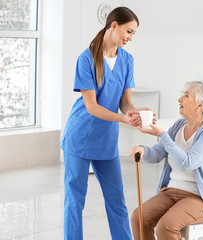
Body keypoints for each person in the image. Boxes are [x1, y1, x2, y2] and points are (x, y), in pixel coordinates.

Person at [60, 7, 146, 240]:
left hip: (106, 139)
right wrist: (123, 118)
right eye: (128, 31)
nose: (130, 37)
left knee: (117, 201)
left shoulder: (127, 60)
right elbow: (92, 106)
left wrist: (135, 113)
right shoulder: (86, 59)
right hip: (80, 136)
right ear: (114, 25)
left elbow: (125, 101)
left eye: (133, 34)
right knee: (75, 201)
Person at [129, 81, 203, 240]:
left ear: (200, 105)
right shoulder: (179, 125)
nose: (179, 99)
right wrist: (143, 150)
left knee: (166, 226)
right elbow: (157, 153)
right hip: (171, 192)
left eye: (186, 95)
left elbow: (187, 163)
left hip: (200, 198)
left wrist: (162, 134)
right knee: (139, 217)